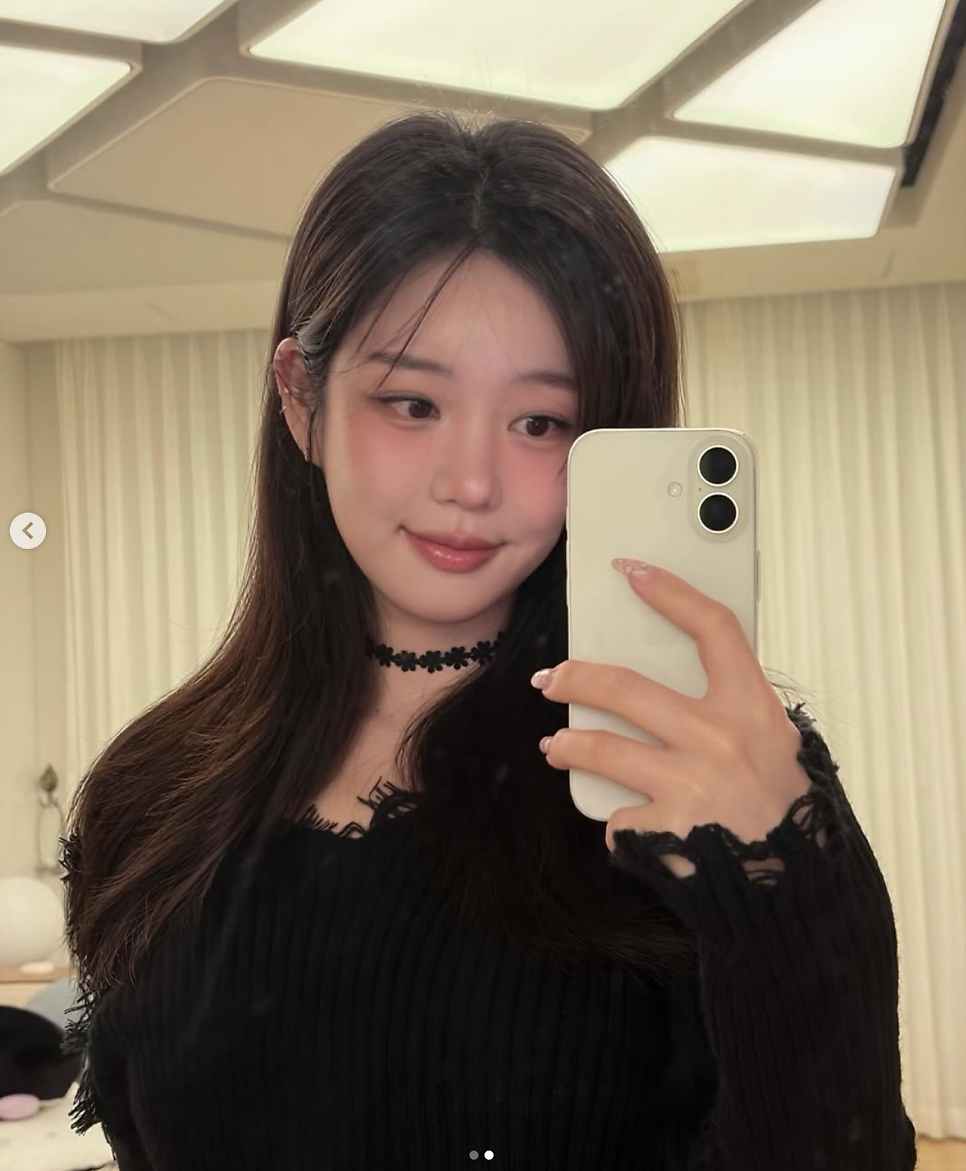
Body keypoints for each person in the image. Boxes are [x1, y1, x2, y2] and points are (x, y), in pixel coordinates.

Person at [60, 110, 916, 1170]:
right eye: (412, 403)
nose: (470, 483)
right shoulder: (154, 791)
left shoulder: (711, 775)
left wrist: (781, 876)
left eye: (540, 422)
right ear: (300, 398)